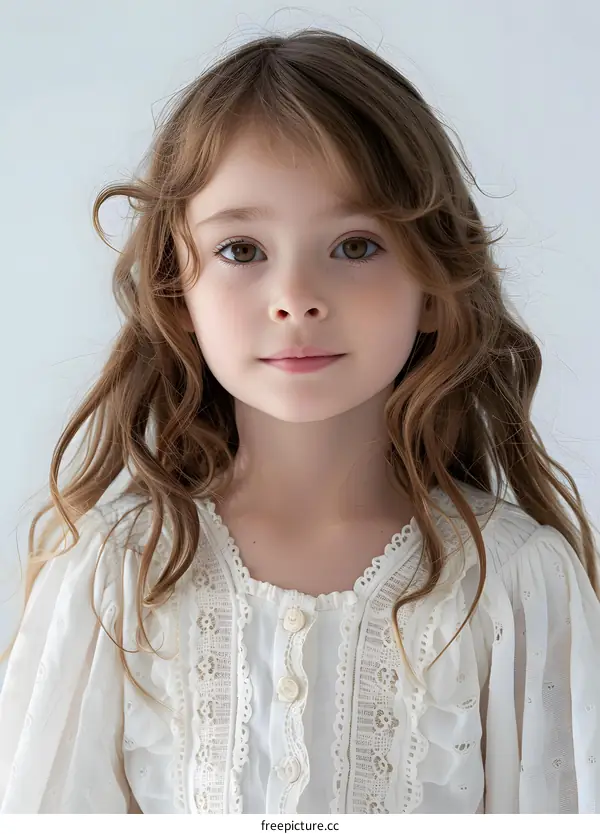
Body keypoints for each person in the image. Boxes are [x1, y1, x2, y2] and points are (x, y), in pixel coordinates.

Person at [1, 28, 599, 815]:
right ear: (176, 292)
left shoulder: (519, 582)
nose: (296, 297)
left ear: (435, 284)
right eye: (242, 249)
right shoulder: (116, 573)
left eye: (355, 245)